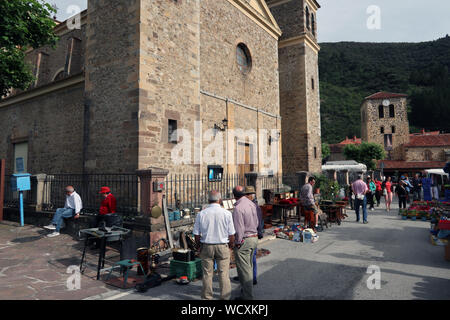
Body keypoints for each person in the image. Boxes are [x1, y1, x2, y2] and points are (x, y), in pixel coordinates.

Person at [193, 191, 235, 300]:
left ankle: (207, 297)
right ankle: (225, 297)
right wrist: (230, 246)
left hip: (207, 245)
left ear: (208, 200)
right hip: (222, 245)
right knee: (223, 274)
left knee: (207, 274)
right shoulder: (227, 213)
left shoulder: (201, 214)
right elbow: (231, 234)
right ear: (220, 200)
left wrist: (198, 246)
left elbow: (196, 234)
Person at [232, 185, 259, 300]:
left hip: (245, 239)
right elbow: (257, 221)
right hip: (254, 237)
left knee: (245, 269)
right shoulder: (251, 204)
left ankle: (247, 296)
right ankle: (245, 292)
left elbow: (239, 228)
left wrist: (238, 242)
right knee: (248, 266)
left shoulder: (238, 208)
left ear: (234, 196)